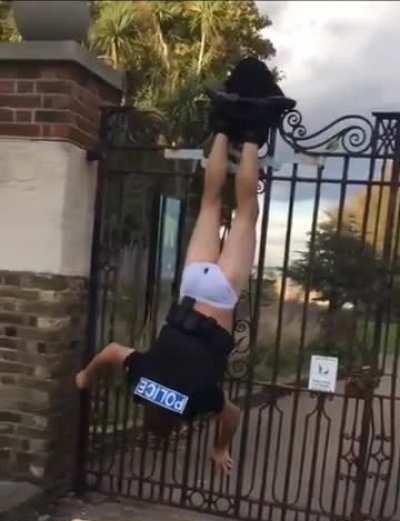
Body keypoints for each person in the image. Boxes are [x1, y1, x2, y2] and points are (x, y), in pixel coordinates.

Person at [76, 58, 295, 475]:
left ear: (173, 425)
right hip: (192, 288)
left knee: (246, 213)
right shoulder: (139, 383)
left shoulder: (195, 402)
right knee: (213, 201)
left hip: (222, 294)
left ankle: (251, 133)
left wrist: (219, 448)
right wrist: (85, 376)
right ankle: (226, 123)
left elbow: (231, 414)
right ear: (145, 417)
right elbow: (109, 352)